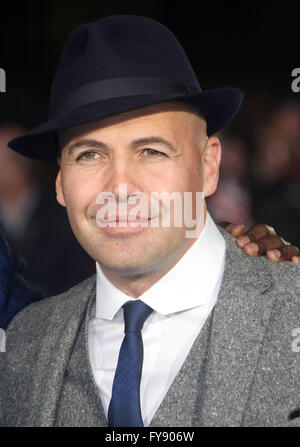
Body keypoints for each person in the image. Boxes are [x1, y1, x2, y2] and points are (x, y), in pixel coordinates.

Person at [0, 15, 299, 427]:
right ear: (60, 183)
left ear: (209, 165)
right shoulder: (22, 343)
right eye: (89, 154)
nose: (120, 187)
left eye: (152, 151)